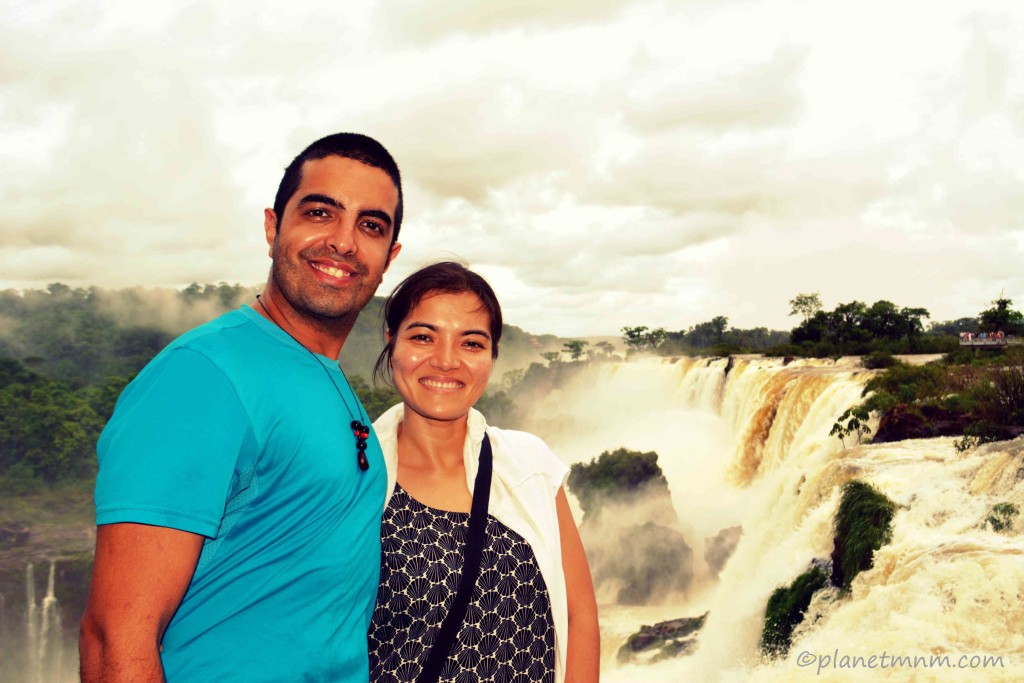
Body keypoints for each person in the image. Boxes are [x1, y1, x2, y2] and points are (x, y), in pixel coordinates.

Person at [79, 132, 404, 682]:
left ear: (389, 257)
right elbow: (115, 638)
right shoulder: (203, 375)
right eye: (320, 211)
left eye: (370, 225)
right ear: (274, 226)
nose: (344, 242)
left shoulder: (323, 375)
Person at [367, 262, 600, 683]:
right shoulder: (353, 476)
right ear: (391, 342)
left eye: (471, 343)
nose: (445, 361)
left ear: (492, 355)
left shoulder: (530, 465)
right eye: (423, 337)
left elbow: (579, 614)